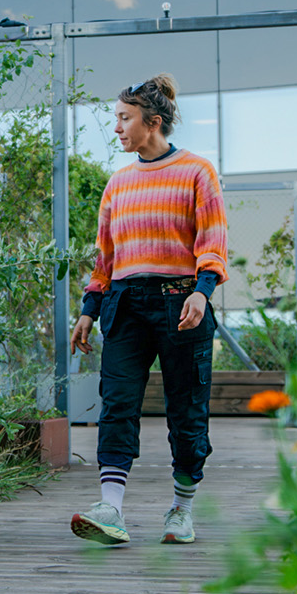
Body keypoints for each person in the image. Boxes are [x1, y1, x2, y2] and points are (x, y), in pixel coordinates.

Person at [68, 74, 228, 546]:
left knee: (186, 409)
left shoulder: (197, 172)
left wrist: (202, 291)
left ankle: (182, 510)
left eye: (124, 118)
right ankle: (110, 509)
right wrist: (89, 308)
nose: (116, 128)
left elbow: (213, 239)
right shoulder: (118, 183)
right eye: (116, 119)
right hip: (125, 305)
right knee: (117, 403)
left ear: (153, 122)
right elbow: (105, 257)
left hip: (183, 303)